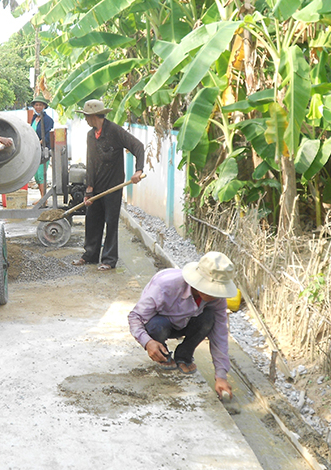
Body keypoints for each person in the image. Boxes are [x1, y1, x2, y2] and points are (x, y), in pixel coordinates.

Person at [128, 251, 238, 398]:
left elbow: (220, 333)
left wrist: (221, 376)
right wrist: (147, 342)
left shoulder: (217, 299)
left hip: (188, 321)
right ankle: (163, 353)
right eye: (213, 290)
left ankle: (184, 356)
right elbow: (135, 317)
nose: (216, 296)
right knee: (156, 326)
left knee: (209, 318)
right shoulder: (164, 286)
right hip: (161, 322)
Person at [71, 99, 144, 271]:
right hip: (96, 187)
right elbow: (91, 162)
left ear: (95, 116)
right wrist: (89, 189)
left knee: (111, 222)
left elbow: (138, 146)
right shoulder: (91, 135)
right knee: (92, 220)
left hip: (113, 187)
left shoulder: (115, 131)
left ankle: (109, 260)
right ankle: (90, 255)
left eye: (87, 117)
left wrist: (138, 170)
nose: (86, 120)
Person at [29, 95, 54, 202]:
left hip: (43, 149)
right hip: (35, 149)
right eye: (36, 105)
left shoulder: (48, 120)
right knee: (36, 175)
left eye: (40, 105)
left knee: (41, 174)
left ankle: (44, 199)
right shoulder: (34, 118)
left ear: (44, 106)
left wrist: (40, 142)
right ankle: (42, 198)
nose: (38, 107)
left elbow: (48, 134)